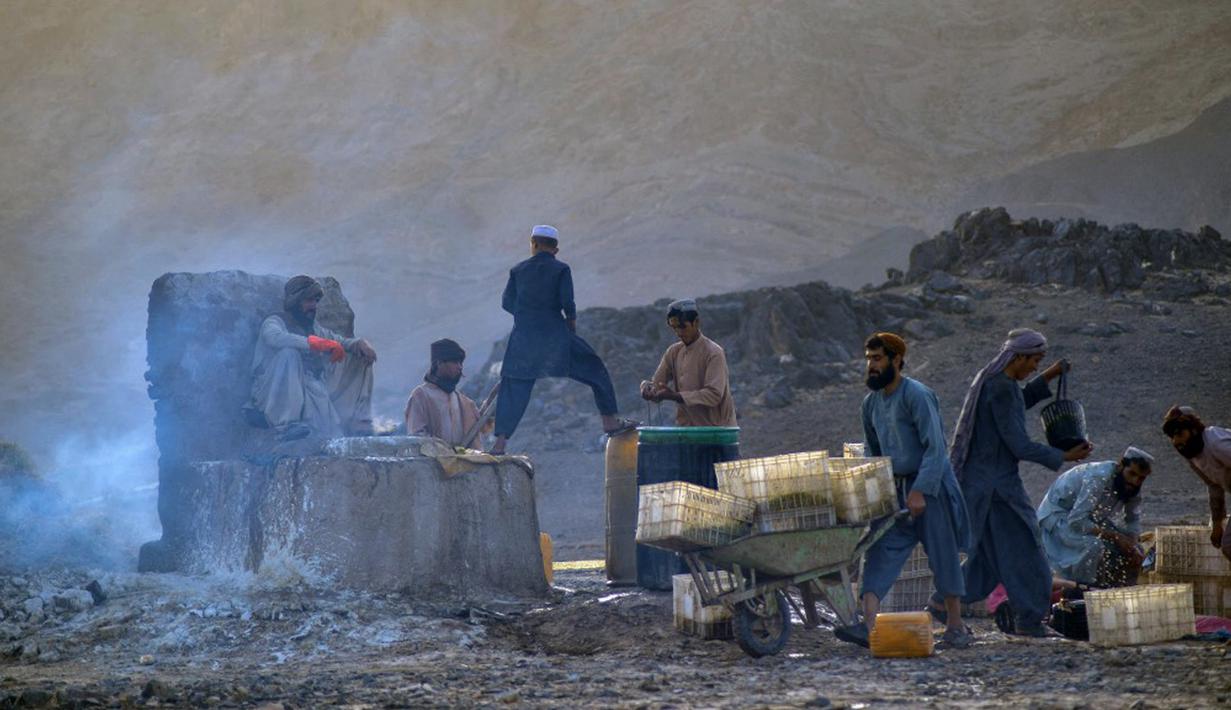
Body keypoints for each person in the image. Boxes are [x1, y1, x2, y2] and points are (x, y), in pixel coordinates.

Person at [935, 328, 1092, 637]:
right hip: (999, 489)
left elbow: (1015, 404)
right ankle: (1031, 620)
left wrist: (1048, 376)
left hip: (979, 486)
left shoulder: (992, 382)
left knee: (989, 559)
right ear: (1018, 357)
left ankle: (942, 602)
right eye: (1035, 360)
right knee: (1029, 551)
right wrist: (1061, 455)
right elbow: (1019, 444)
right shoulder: (1001, 389)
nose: (1035, 366)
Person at [837, 333, 973, 649]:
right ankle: (867, 624)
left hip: (931, 485)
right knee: (880, 549)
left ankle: (956, 625)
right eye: (868, 359)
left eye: (877, 359)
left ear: (896, 359)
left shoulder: (917, 395)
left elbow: (936, 449)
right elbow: (873, 453)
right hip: (895, 489)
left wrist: (921, 491)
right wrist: (876, 493)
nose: (871, 366)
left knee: (942, 553)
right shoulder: (870, 404)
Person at [489, 225, 635, 455]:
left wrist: (527, 314)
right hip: (554, 336)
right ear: (555, 249)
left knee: (513, 387)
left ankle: (499, 444)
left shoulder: (517, 270)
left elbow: (507, 302)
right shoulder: (561, 269)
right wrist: (571, 327)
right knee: (595, 368)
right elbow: (568, 302)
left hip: (523, 339)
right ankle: (609, 421)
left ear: (533, 244)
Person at [247, 275, 376, 439]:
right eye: (309, 301)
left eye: (316, 301)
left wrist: (359, 344)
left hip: (310, 391)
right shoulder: (274, 321)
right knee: (289, 354)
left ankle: (359, 421)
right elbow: (275, 337)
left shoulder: (312, 327)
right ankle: (286, 424)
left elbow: (338, 342)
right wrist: (312, 343)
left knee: (359, 356)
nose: (314, 306)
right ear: (295, 301)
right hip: (272, 396)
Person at [1037, 447, 1154, 587]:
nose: (1135, 481)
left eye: (1141, 478)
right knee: (1093, 546)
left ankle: (1121, 592)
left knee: (1134, 552)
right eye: (1132, 474)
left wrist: (1132, 546)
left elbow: (1133, 519)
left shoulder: (1133, 487)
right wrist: (1116, 537)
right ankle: (1080, 591)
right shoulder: (1098, 477)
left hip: (1088, 520)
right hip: (1059, 518)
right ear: (1121, 466)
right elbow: (1077, 521)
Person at [639, 299, 737, 427]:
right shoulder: (673, 352)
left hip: (718, 432)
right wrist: (647, 389)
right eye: (674, 328)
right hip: (687, 431)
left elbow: (713, 395)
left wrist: (675, 396)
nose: (679, 333)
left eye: (682, 327)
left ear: (696, 322)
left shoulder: (713, 352)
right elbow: (657, 385)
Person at [1162, 406, 1231, 562]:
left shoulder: (1215, 442)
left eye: (1179, 433)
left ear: (1193, 429)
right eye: (1172, 436)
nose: (1176, 441)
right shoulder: (1193, 456)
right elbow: (1214, 486)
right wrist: (1217, 524)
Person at [405, 339, 485, 448]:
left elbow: (480, 429)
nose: (460, 367)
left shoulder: (465, 403)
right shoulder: (421, 396)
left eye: (461, 363)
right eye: (454, 362)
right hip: (432, 463)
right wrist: (443, 452)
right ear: (439, 363)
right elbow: (416, 436)